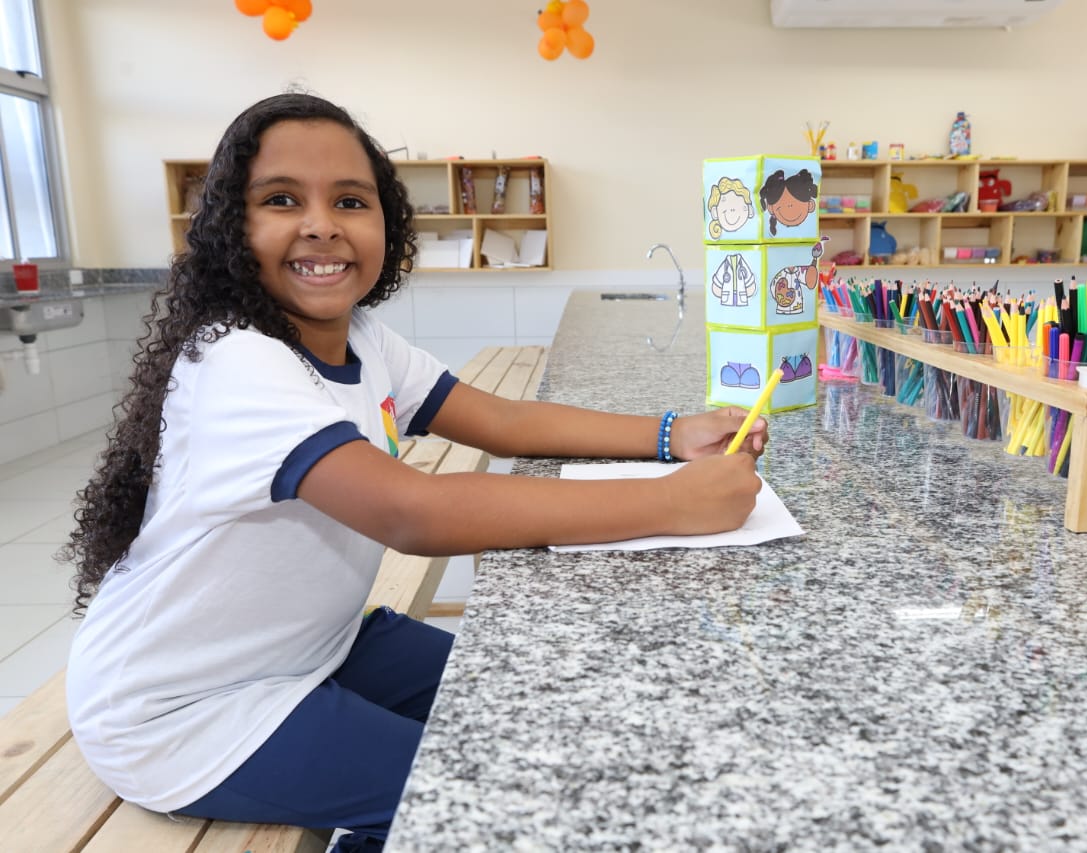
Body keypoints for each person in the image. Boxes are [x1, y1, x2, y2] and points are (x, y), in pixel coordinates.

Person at [61, 92, 768, 851]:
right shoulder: (239, 359)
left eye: (351, 200)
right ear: (233, 229)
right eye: (280, 199)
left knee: (543, 696)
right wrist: (672, 503)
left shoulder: (360, 336)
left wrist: (669, 434)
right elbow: (414, 512)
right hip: (187, 709)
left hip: (315, 645)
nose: (322, 223)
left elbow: (504, 421)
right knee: (470, 792)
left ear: (387, 225)